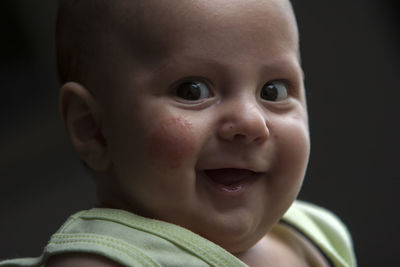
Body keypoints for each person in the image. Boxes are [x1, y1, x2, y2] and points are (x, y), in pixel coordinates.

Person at [0, 0, 357, 266]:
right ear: (93, 129)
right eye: (193, 90)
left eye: (273, 91)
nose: (251, 123)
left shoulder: (318, 233)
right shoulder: (103, 263)